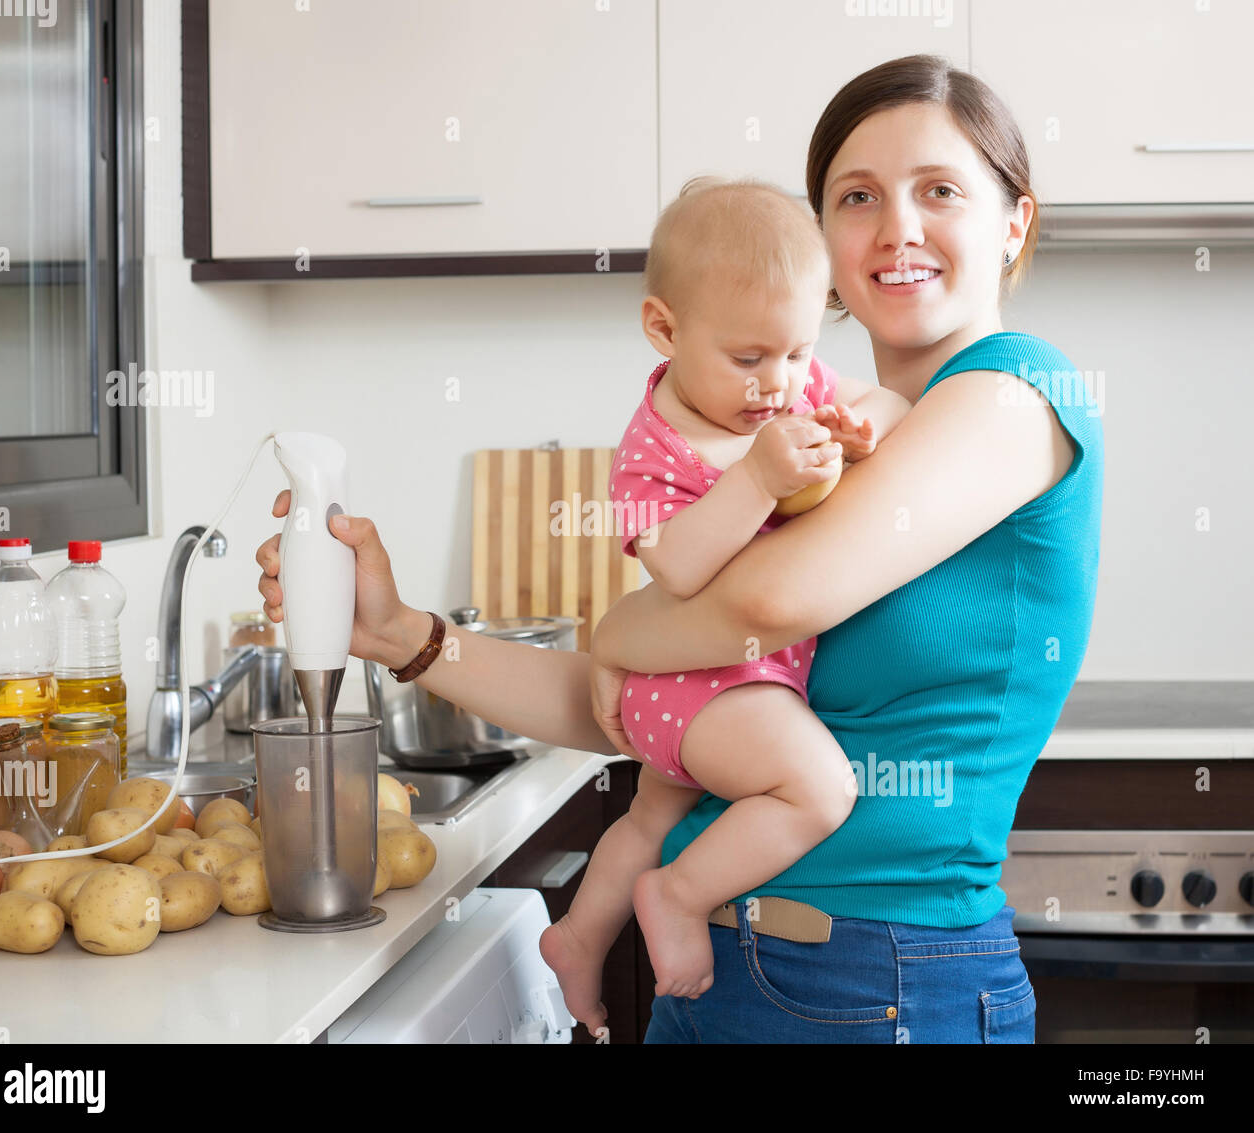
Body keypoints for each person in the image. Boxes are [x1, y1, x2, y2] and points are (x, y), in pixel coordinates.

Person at [257, 54, 1103, 1044]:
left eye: (940, 191)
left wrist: (621, 626)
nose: (896, 228)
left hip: (876, 984)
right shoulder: (808, 446)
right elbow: (643, 708)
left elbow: (758, 609)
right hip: (711, 965)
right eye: (856, 195)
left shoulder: (1021, 392)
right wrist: (402, 634)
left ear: (1014, 222)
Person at [534, 177, 911, 1036]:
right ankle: (680, 893)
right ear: (664, 329)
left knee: (647, 816)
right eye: (749, 359)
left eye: (796, 351)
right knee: (818, 788)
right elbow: (672, 562)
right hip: (704, 685)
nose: (778, 385)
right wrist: (757, 478)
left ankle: (580, 937)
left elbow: (886, 400)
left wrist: (862, 429)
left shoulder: (789, 379)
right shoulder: (653, 446)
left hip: (718, 682)